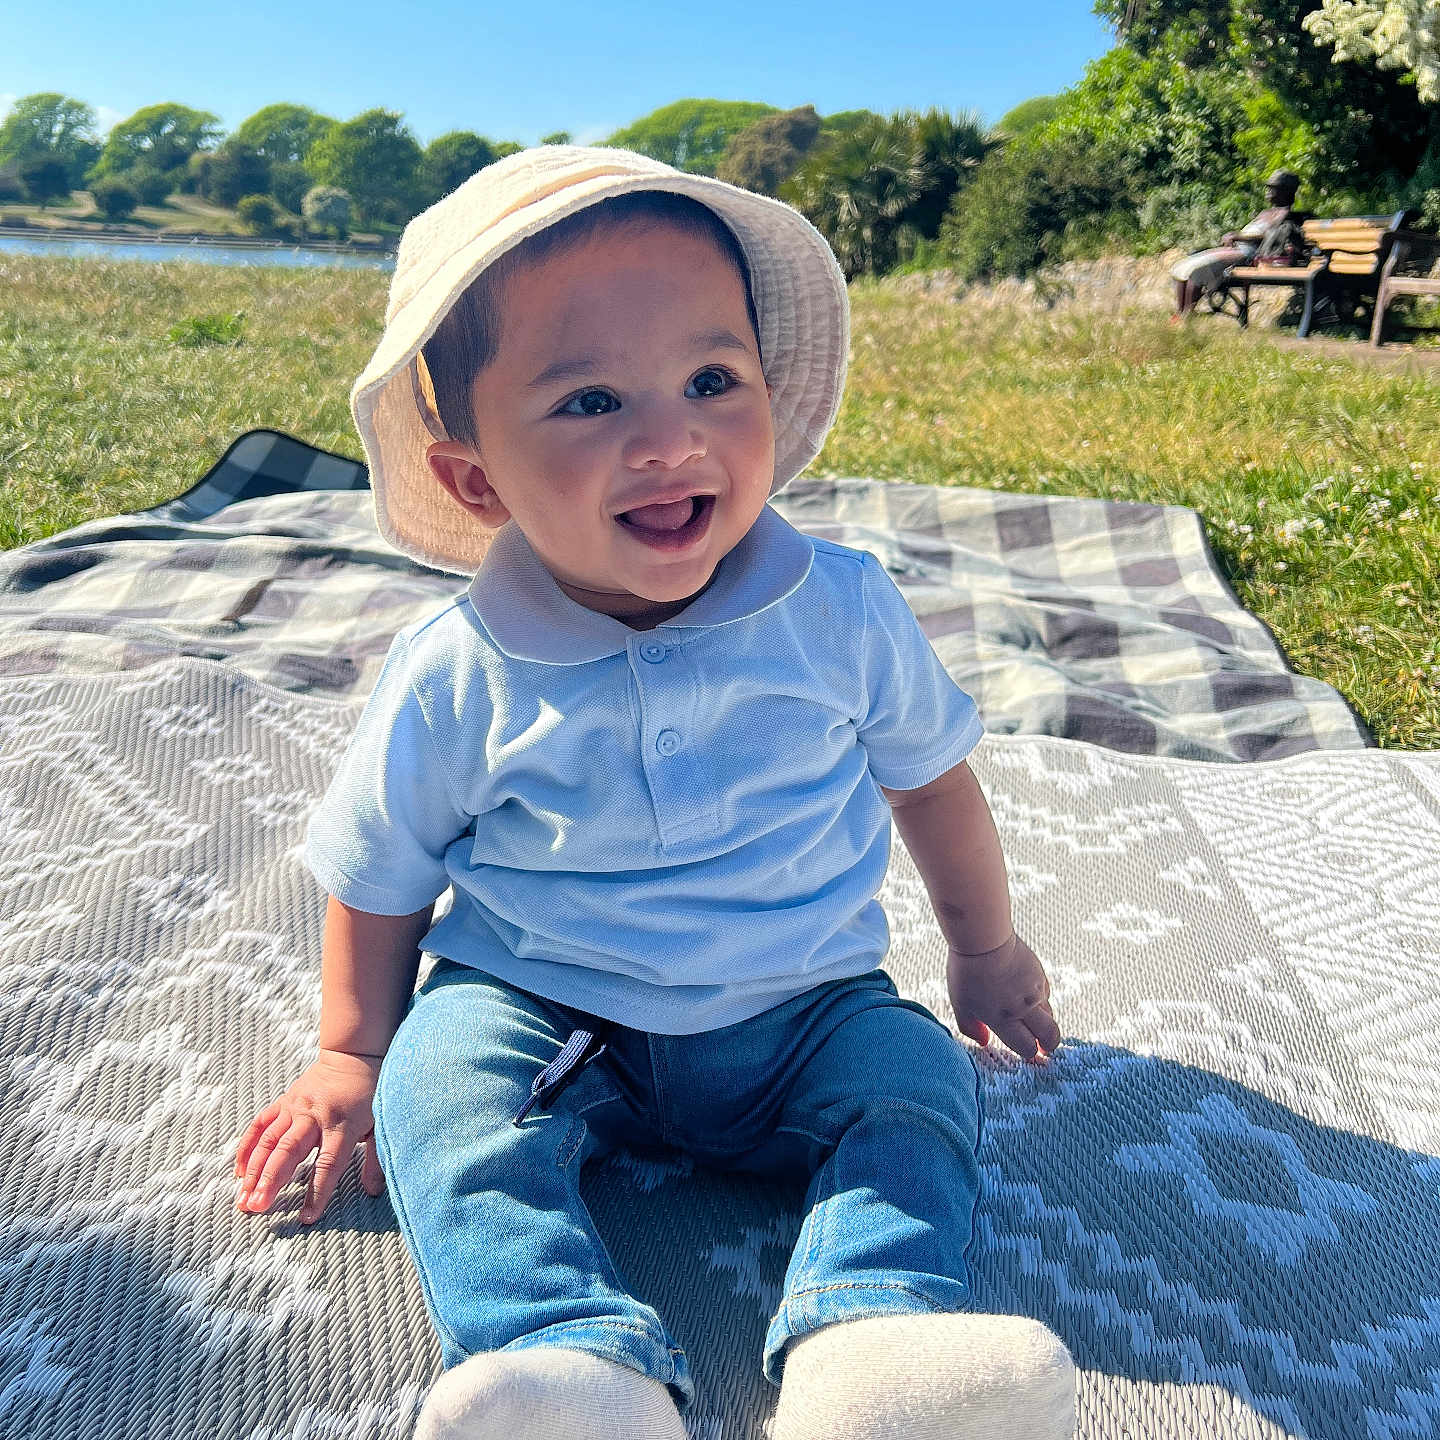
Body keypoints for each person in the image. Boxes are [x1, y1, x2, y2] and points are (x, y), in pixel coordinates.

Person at [231, 145, 1075, 1440]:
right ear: (476, 478)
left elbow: (933, 782)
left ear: (768, 395)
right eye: (588, 403)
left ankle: (874, 1339)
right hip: (551, 1009)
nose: (669, 438)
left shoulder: (839, 611)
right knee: (437, 1099)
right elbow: (380, 868)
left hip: (801, 1000)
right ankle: (559, 1363)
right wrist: (352, 1048)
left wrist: (987, 946)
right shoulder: (463, 671)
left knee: (915, 1083)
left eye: (711, 380)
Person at [1171, 168, 1305, 317]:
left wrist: (1238, 236)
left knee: (1197, 272)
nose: (1268, 191)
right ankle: (1180, 314)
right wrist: (1234, 237)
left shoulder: (1284, 215)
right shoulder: (1266, 213)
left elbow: (1269, 238)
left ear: (1285, 191)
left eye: (1272, 188)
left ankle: (1186, 316)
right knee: (1184, 266)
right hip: (1236, 249)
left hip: (1249, 254)